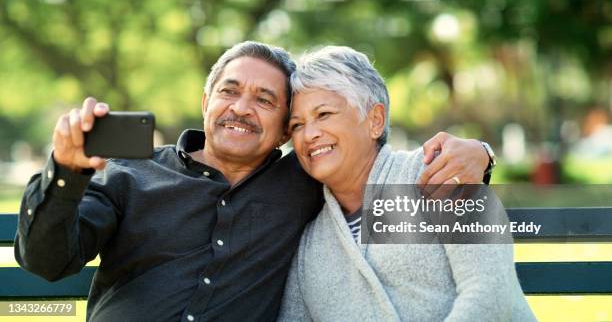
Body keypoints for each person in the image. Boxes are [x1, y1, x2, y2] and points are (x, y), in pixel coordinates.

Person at [14, 41, 491, 321]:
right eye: (230, 91)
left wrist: (478, 155)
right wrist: (65, 172)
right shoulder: (132, 171)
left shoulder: (305, 181)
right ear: (206, 101)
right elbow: (47, 261)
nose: (241, 107)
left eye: (265, 99)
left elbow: (373, 161)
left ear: (286, 126)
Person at [279, 46, 536, 321]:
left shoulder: (440, 172)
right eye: (297, 125)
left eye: (324, 114)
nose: (310, 134)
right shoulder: (309, 244)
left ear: (375, 121)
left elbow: (492, 293)